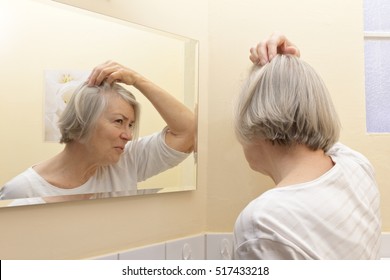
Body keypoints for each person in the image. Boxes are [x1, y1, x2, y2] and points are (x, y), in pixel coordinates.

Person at [233, 33, 381, 259]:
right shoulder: (357, 167)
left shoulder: (263, 222)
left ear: (254, 121)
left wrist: (284, 74)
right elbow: (317, 132)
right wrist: (290, 72)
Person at [0, 61, 195, 200]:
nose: (128, 135)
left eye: (130, 125)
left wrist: (137, 80)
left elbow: (189, 131)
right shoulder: (22, 191)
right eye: (119, 121)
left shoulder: (127, 161)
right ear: (83, 121)